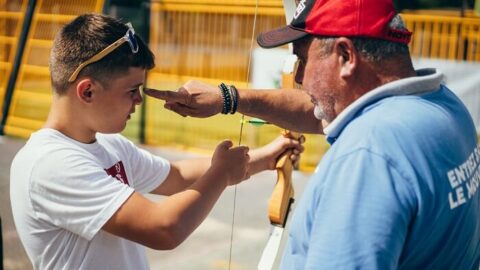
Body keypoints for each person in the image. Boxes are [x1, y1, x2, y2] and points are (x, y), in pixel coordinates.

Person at [144, 0, 480, 269]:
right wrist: (230, 98)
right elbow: (316, 110)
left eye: (302, 58)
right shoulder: (442, 105)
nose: (300, 76)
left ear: (346, 57)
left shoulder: (369, 155)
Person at [9, 13, 305, 270]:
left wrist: (266, 157)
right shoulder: (49, 164)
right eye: (132, 90)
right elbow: (165, 228)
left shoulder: (110, 145)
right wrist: (222, 173)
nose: (139, 99)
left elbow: (176, 177)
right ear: (87, 92)